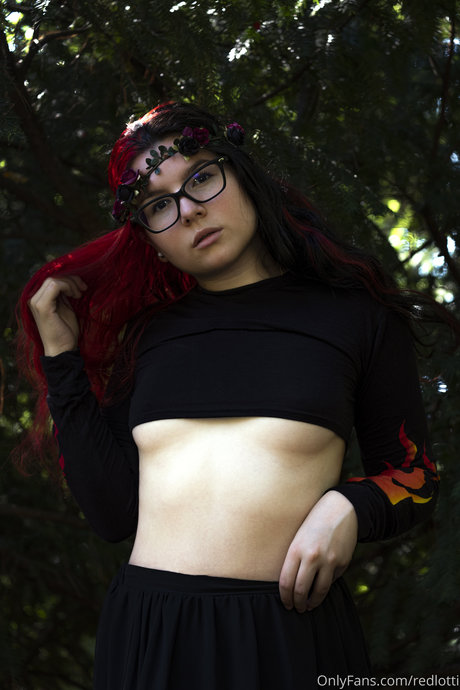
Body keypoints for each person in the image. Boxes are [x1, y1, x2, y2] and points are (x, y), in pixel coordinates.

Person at [18, 102, 441, 689]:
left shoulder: (357, 316)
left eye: (201, 178)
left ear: (243, 174)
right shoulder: (146, 337)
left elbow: (415, 475)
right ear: (150, 240)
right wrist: (62, 359)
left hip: (288, 634)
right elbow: (111, 514)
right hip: (148, 633)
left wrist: (348, 506)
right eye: (158, 206)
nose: (189, 210)